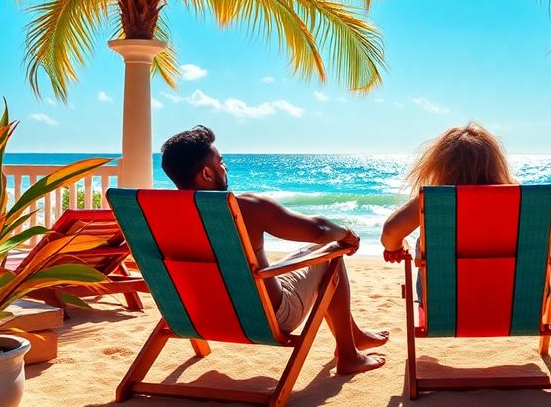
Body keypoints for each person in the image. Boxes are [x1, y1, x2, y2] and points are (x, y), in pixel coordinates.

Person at [160, 126, 387, 375]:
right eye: (220, 162)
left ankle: (353, 334)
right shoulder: (244, 206)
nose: (224, 168)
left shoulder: (159, 214)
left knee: (314, 250)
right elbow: (319, 229)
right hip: (267, 316)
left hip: (194, 315)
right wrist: (346, 234)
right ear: (206, 172)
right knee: (331, 250)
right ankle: (348, 353)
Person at [381, 123, 551, 262]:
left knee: (422, 245)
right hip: (520, 305)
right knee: (545, 246)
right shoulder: (525, 201)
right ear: (497, 163)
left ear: (438, 166)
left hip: (445, 306)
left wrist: (397, 247)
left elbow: (391, 232)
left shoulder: (432, 202)